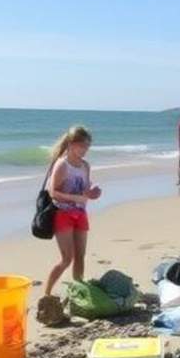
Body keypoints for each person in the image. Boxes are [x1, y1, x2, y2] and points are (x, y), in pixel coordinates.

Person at [43, 126, 101, 297]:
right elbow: (53, 193)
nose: (85, 150)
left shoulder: (85, 166)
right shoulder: (62, 165)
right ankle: (47, 294)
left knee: (80, 256)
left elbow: (86, 186)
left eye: (88, 147)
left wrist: (93, 190)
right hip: (63, 214)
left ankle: (79, 290)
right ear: (71, 144)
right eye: (82, 146)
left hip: (81, 214)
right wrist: (76, 198)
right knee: (66, 258)